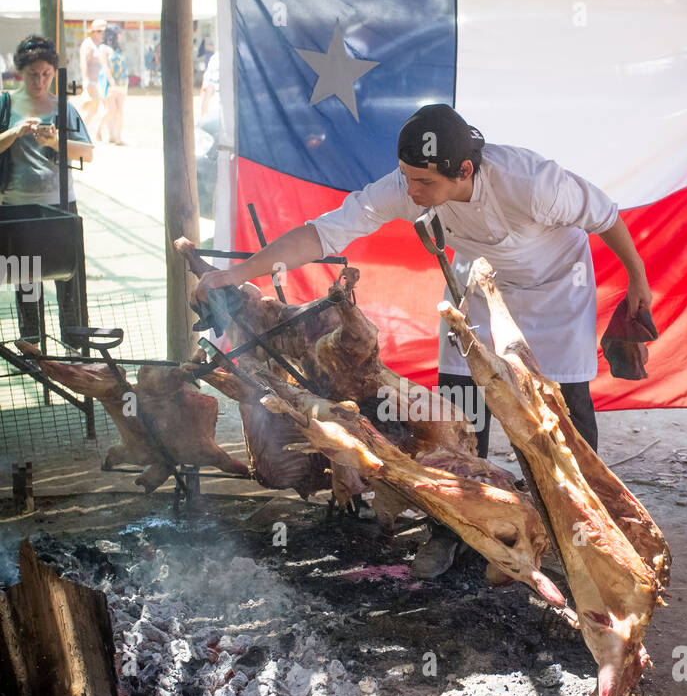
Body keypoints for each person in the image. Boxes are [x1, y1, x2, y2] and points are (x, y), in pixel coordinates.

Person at [192, 103, 651, 576]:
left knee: (564, 415)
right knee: (457, 410)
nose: (411, 191)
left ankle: (588, 536)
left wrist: (637, 279)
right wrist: (241, 272)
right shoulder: (410, 186)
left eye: (424, 183)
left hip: (555, 289)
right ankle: (454, 530)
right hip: (478, 280)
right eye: (406, 178)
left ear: (465, 170)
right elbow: (323, 233)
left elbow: (607, 216)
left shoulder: (533, 183)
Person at [0, 34, 94, 340]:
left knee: (70, 281)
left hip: (60, 205)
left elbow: (88, 153)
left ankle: (74, 348)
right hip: (18, 207)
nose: (39, 81)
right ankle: (32, 346)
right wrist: (14, 132)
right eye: (32, 75)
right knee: (26, 282)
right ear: (20, 73)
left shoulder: (63, 107)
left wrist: (54, 140)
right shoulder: (6, 103)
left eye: (46, 75)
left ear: (54, 74)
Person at [99, 25, 129, 145]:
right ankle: (98, 129)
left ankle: (118, 137)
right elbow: (105, 66)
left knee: (120, 110)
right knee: (111, 110)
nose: (120, 35)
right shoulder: (103, 48)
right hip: (110, 83)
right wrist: (111, 81)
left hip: (122, 82)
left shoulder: (119, 48)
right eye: (118, 33)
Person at [78, 19, 106, 129]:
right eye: (99, 31)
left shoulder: (101, 44)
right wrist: (86, 80)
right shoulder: (88, 44)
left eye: (103, 31)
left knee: (101, 109)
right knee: (90, 109)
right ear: (93, 32)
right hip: (92, 82)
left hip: (101, 82)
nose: (101, 34)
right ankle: (80, 131)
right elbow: (84, 63)